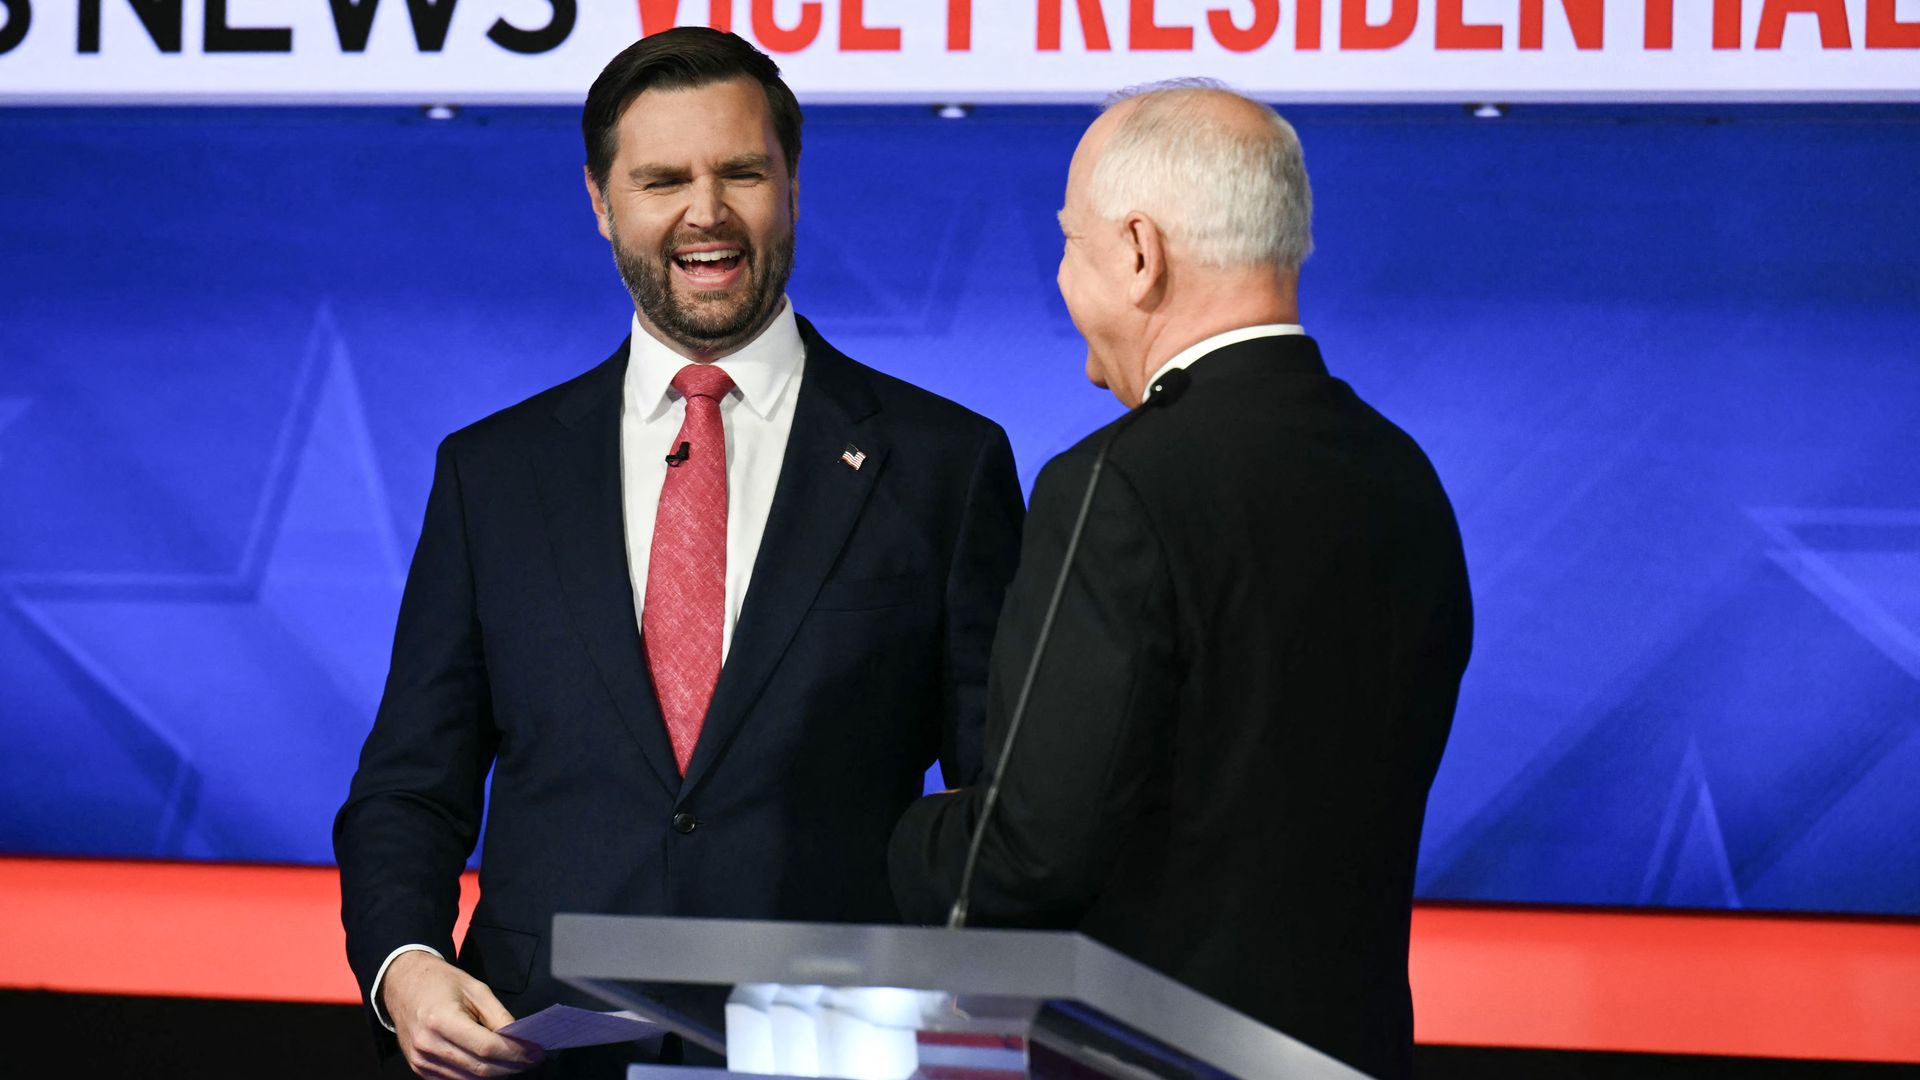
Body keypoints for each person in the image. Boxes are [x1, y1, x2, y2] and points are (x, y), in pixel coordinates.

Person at [334, 28, 1024, 1080]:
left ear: (790, 184)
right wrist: (408, 964)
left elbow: (1001, 803)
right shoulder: (493, 474)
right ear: (602, 201)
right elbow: (408, 787)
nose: (706, 212)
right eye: (662, 179)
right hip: (536, 1049)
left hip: (832, 1048)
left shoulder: (945, 464)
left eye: (740, 171)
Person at [887, 82, 1472, 1080]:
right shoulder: (1402, 472)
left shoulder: (1117, 485)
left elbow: (1025, 859)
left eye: (1070, 242)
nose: (1063, 279)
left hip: (1150, 1057)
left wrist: (885, 832)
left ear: (1140, 252)